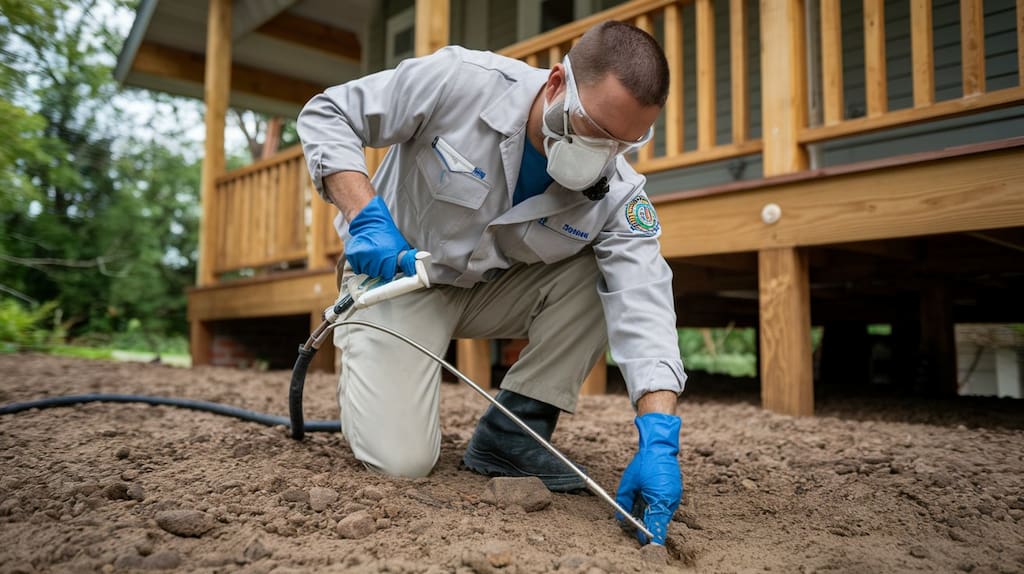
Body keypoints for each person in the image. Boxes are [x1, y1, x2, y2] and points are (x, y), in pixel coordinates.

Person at [297, 21, 686, 545]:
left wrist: (659, 438)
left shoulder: (618, 192)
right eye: (593, 129)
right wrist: (365, 215)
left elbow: (645, 300)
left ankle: (510, 436)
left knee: (606, 271)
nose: (603, 153)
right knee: (402, 462)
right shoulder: (460, 81)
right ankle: (372, 375)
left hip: (491, 288)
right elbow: (328, 112)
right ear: (555, 86)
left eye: (623, 142)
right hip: (399, 277)